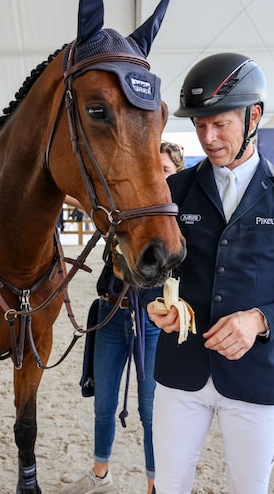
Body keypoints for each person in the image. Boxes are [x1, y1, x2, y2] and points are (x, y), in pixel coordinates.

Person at [146, 53, 274, 493]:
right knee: (168, 485)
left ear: (254, 115)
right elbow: (143, 272)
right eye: (198, 125)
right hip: (180, 371)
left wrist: (260, 320)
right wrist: (155, 302)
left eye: (220, 124)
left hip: (255, 377)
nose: (208, 138)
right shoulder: (175, 190)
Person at [63, 141, 186, 494]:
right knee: (104, 401)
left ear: (175, 176)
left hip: (151, 321)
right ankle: (101, 473)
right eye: (155, 169)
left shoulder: (173, 224)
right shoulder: (131, 212)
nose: (159, 175)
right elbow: (91, 203)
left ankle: (154, 484)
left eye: (166, 170)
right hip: (111, 312)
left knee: (150, 411)